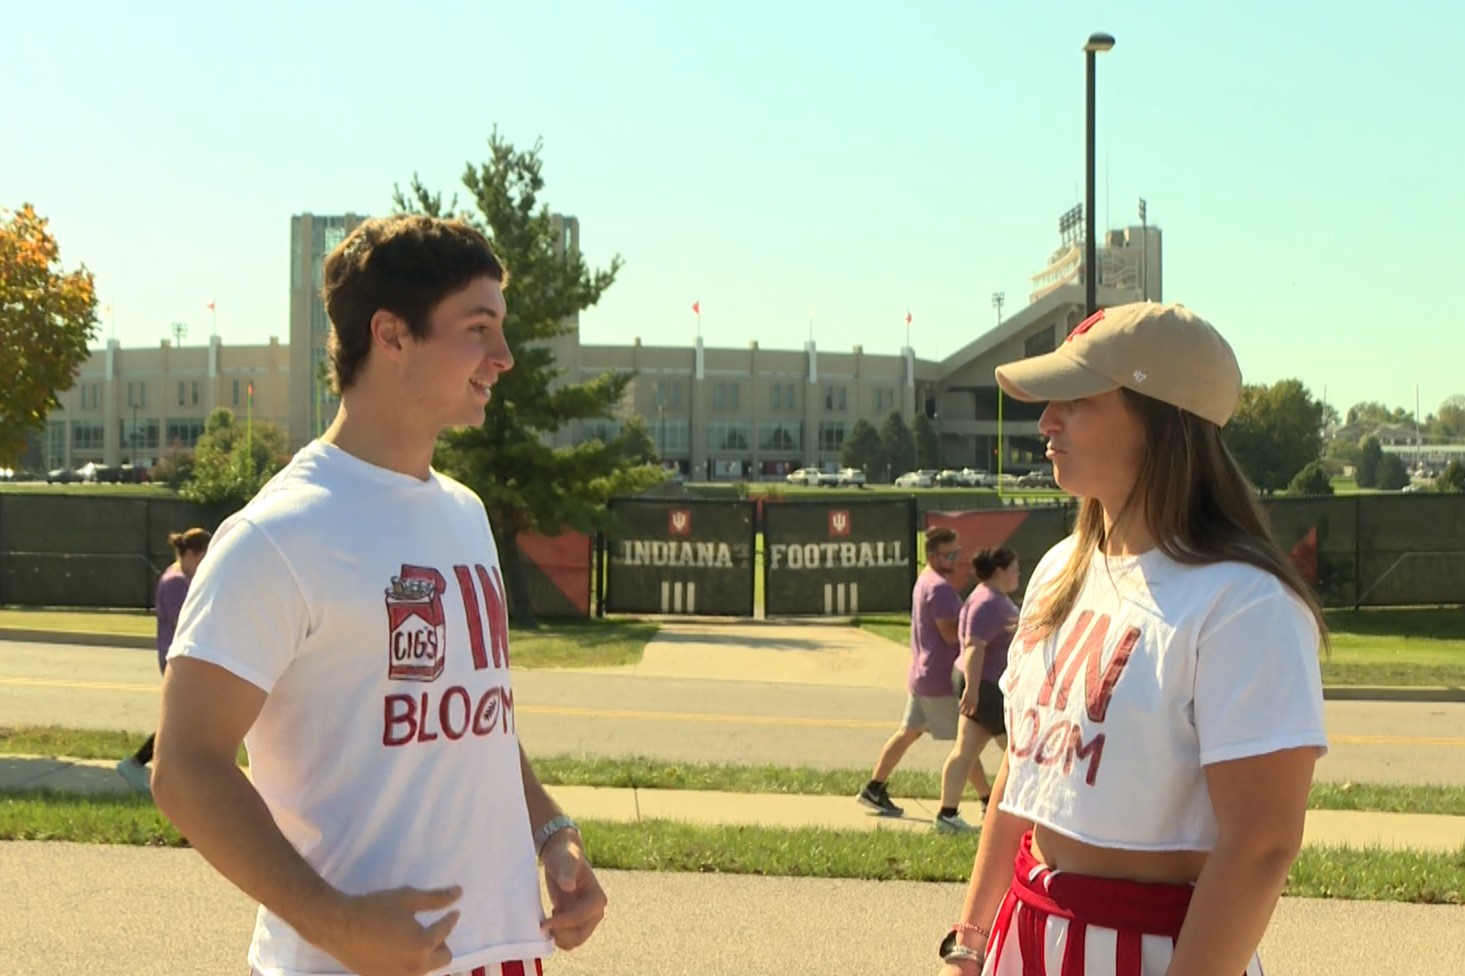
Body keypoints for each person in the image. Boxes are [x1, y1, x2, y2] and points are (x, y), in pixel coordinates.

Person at [152, 214, 606, 976]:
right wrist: (336, 925)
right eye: (478, 328)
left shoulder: (463, 512)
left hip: (503, 949)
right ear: (391, 335)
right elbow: (186, 768)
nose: (504, 357)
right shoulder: (279, 534)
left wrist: (549, 830)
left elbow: (474, 714)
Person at [936, 302, 1328, 976]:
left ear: (1162, 419)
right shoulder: (1061, 568)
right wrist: (969, 940)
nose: (1046, 422)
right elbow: (1024, 774)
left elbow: (1260, 845)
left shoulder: (1244, 603)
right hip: (1022, 933)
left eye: (1078, 400)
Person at [858, 525, 964, 827]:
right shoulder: (940, 588)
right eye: (949, 554)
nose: (955, 558)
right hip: (938, 679)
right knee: (965, 745)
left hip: (922, 673)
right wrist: (977, 629)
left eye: (957, 552)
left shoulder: (925, 580)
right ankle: (975, 804)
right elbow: (949, 633)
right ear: (932, 556)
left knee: (908, 732)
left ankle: (874, 787)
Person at [115, 526, 211, 793]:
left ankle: (151, 767)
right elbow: (189, 623)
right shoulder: (175, 583)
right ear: (191, 554)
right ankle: (136, 764)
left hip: (188, 658)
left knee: (192, 721)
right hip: (180, 660)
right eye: (204, 557)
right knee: (185, 722)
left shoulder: (182, 576)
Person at [933, 547, 1020, 833]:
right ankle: (1016, 818)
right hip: (986, 686)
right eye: (1014, 569)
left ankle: (947, 814)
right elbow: (974, 647)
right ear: (999, 571)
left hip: (980, 684)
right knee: (1018, 754)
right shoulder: (988, 602)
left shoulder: (985, 596)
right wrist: (972, 690)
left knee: (965, 751)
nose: (1017, 574)